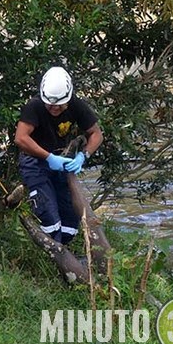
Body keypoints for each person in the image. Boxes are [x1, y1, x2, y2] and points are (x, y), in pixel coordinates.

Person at [14, 66, 103, 245]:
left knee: (70, 222)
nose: (54, 108)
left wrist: (83, 156)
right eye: (50, 104)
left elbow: (96, 134)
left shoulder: (76, 105)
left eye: (59, 105)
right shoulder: (35, 106)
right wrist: (48, 157)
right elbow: (21, 138)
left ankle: (65, 251)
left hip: (62, 161)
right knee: (49, 218)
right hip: (35, 162)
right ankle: (48, 255)